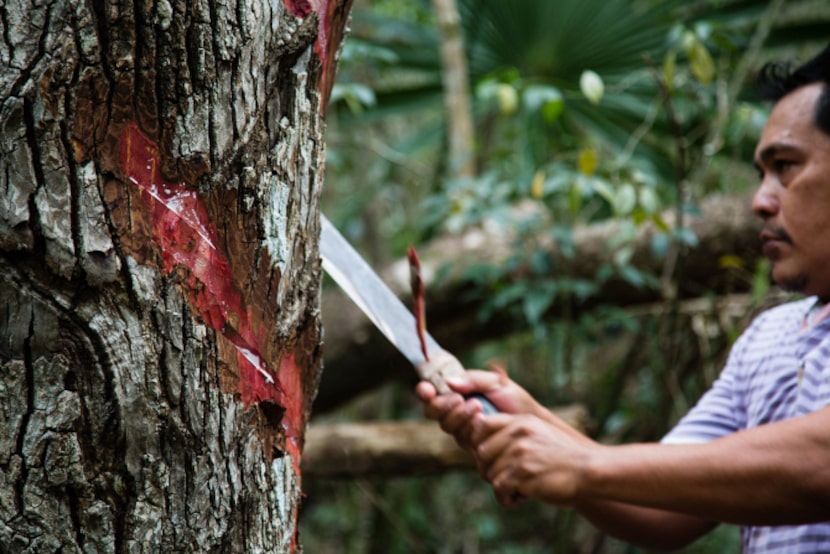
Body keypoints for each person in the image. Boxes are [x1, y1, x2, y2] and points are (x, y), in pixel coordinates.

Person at [416, 43, 830, 553]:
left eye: (786, 166)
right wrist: (528, 421)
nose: (760, 201)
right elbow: (662, 504)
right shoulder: (767, 339)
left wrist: (579, 463)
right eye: (761, 174)